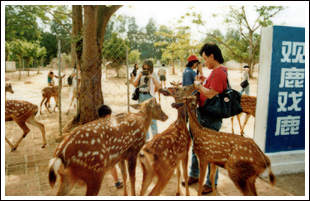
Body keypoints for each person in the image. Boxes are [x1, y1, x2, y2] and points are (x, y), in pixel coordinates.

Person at [183, 43, 227, 194]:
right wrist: (203, 80)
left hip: (210, 118)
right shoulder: (216, 72)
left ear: (212, 56)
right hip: (203, 116)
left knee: (209, 150)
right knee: (198, 147)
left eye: (205, 59)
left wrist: (198, 85)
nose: (204, 62)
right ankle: (194, 174)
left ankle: (210, 182)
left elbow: (211, 93)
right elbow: (210, 87)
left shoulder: (219, 72)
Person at [131, 60, 161, 140]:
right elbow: (134, 84)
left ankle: (155, 138)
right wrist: (139, 76)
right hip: (141, 96)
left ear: (151, 68)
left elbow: (159, 86)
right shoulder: (140, 73)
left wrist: (153, 78)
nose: (145, 71)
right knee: (143, 117)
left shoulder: (154, 74)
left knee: (153, 118)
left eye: (147, 69)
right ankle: (146, 139)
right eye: (144, 68)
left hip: (150, 96)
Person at [97, 104, 123, 189]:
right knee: (113, 165)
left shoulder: (97, 124)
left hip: (101, 149)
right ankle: (117, 182)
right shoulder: (107, 125)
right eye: (110, 116)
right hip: (109, 149)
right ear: (108, 115)